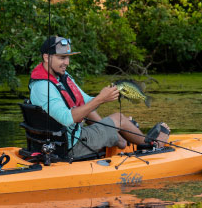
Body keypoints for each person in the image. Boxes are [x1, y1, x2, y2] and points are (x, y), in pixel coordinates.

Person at [29, 36, 169, 158]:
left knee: (91, 111)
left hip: (65, 140)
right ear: (46, 57)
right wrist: (101, 99)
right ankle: (152, 145)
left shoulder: (61, 77)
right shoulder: (43, 87)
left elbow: (85, 101)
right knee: (119, 118)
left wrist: (106, 94)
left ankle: (117, 136)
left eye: (68, 58)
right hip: (71, 147)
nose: (67, 63)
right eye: (62, 58)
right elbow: (67, 118)